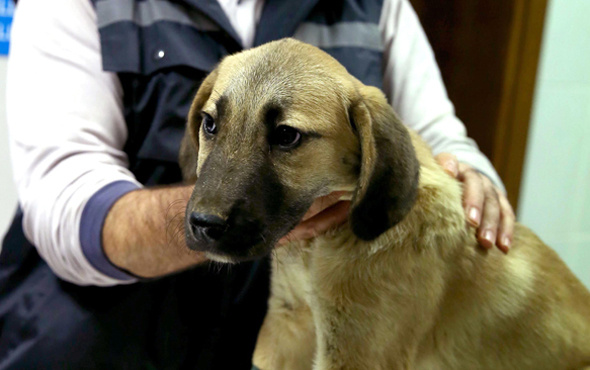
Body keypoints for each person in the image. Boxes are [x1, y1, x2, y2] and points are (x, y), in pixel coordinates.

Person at [0, 0, 514, 368]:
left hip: (279, 343)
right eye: (210, 125)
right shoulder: (73, 4)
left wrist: (474, 178)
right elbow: (64, 203)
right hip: (104, 345)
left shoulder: (376, 7)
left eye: (288, 136)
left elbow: (438, 137)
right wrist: (199, 218)